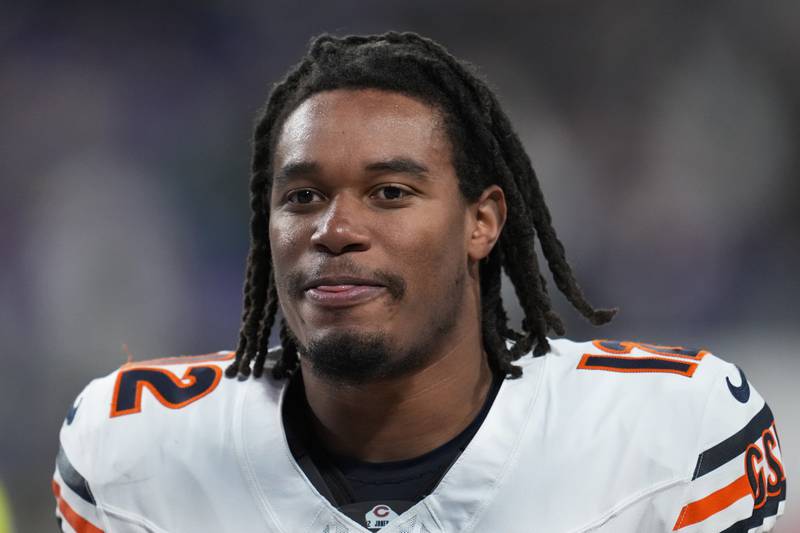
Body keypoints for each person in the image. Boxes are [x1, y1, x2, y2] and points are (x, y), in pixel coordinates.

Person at [52, 32, 786, 532]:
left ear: (482, 221)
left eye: (390, 193)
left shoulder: (671, 438)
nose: (334, 229)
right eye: (302, 197)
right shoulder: (133, 454)